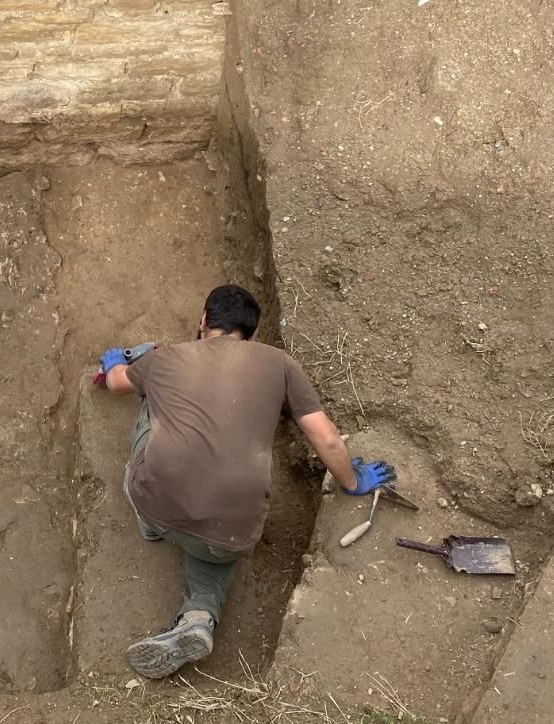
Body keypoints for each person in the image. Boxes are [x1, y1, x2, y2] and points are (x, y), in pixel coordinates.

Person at [97, 284, 395, 679]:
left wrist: (117, 362)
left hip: (155, 503)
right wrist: (353, 481)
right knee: (216, 550)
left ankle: (152, 529)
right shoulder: (279, 364)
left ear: (203, 322)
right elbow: (325, 438)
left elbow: (116, 382)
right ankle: (199, 615)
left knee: (155, 403)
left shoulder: (164, 359)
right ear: (253, 335)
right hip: (230, 532)